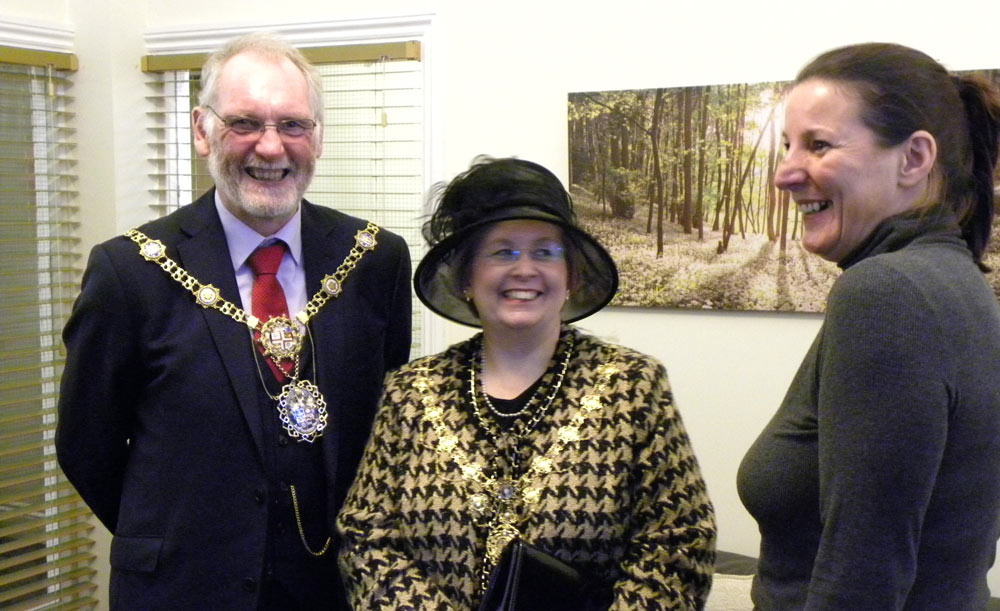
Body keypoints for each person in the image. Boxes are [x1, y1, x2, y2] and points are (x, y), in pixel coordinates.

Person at [55, 32, 412, 610]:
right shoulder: (130, 272)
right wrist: (174, 534)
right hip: (181, 589)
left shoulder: (374, 261)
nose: (271, 148)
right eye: (244, 122)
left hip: (333, 589)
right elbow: (84, 445)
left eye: (293, 125)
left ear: (317, 136)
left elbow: (381, 430)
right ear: (202, 129)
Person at [336, 156, 716, 609]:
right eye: (502, 251)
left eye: (545, 251)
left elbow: (678, 542)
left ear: (571, 275)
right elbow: (366, 537)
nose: (524, 269)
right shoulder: (410, 394)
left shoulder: (634, 388)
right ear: (466, 279)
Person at [737, 42, 1000, 609]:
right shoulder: (958, 283)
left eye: (819, 145)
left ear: (913, 158)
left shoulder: (887, 293)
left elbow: (863, 574)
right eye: (788, 146)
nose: (785, 173)